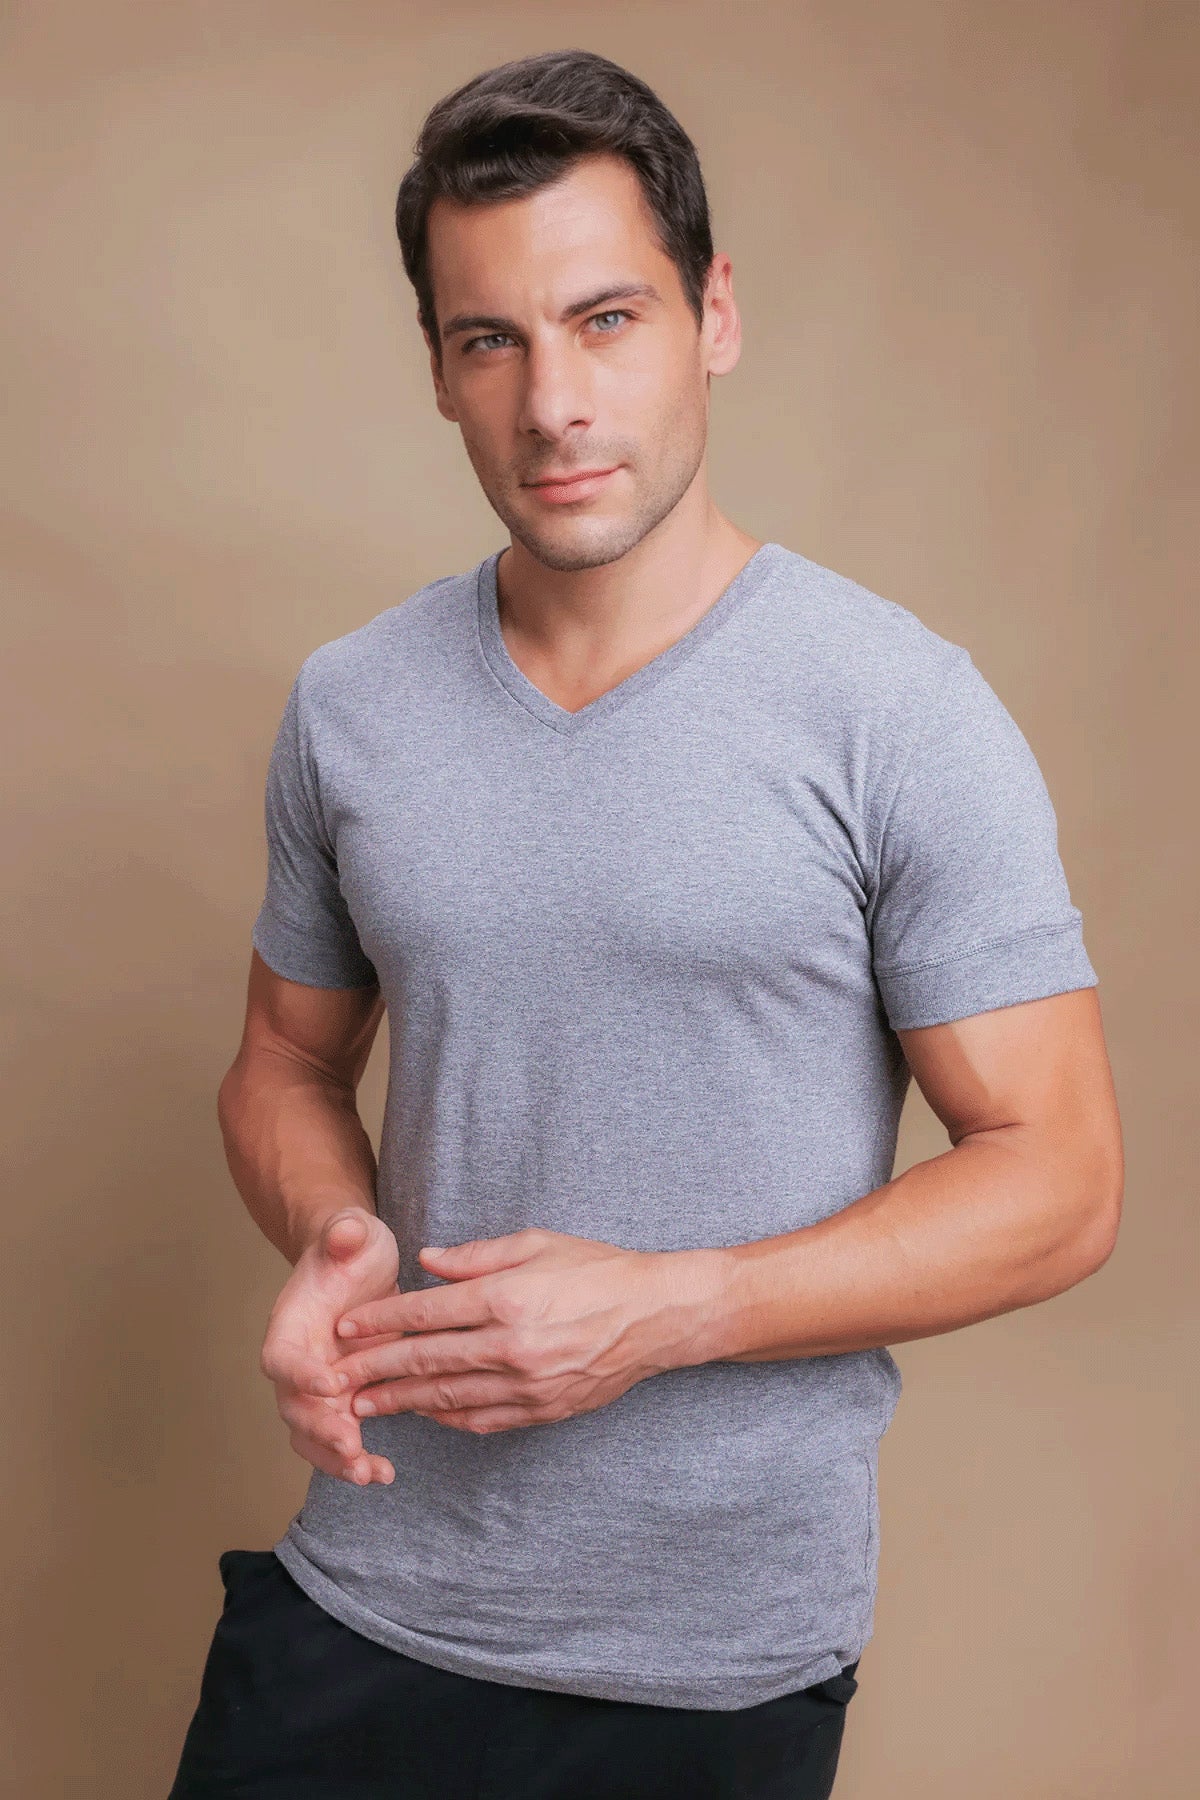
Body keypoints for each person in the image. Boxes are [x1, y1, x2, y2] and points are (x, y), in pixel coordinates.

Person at [167, 46, 1123, 1800]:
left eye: (607, 320)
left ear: (714, 316)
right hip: (359, 1601)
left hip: (705, 1675)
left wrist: (673, 1310)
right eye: (492, 340)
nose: (554, 404)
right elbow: (282, 1064)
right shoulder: (353, 703)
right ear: (438, 372)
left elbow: (1062, 1179)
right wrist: (334, 1237)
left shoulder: (898, 712)